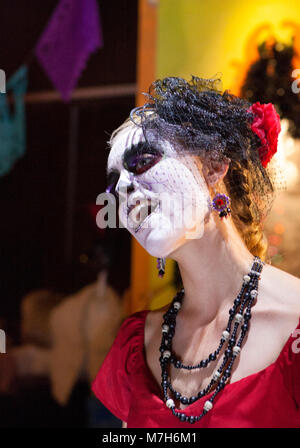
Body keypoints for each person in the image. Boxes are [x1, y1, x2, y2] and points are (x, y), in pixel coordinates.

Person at [91, 75, 300, 428]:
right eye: (114, 182)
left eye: (142, 160)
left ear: (214, 165)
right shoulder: (137, 345)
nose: (124, 187)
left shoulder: (293, 322)